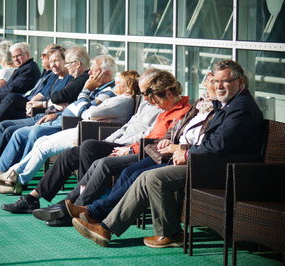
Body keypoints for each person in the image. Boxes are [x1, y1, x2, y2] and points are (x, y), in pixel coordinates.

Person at [71, 60, 264, 248]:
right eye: (216, 81)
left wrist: (186, 153)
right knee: (144, 175)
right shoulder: (229, 104)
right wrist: (183, 149)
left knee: (152, 177)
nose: (219, 86)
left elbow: (216, 146)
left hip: (223, 170)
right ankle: (107, 227)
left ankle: (168, 233)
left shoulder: (241, 108)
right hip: (206, 162)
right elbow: (210, 141)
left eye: (226, 81)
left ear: (240, 82)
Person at [29, 70, 191, 226]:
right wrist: (111, 141)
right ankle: (67, 203)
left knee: (103, 163)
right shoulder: (162, 108)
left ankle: (75, 208)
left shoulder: (175, 111)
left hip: (144, 151)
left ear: (167, 93)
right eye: (144, 94)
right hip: (132, 144)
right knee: (84, 151)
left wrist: (129, 148)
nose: (147, 99)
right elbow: (131, 126)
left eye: (148, 94)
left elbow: (152, 139)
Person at [63, 73, 216, 223]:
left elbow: (157, 138)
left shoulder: (183, 111)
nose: (151, 102)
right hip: (145, 148)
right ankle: (74, 201)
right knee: (93, 153)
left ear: (169, 94)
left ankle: (84, 207)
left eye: (152, 97)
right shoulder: (167, 110)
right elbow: (150, 133)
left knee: (106, 164)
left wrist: (131, 148)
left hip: (151, 152)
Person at [0, 70, 141, 190]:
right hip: (85, 127)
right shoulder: (118, 98)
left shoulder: (123, 100)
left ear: (127, 89)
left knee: (43, 148)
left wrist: (85, 93)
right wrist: (86, 109)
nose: (114, 85)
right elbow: (84, 111)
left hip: (89, 131)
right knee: (41, 141)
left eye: (118, 83)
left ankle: (17, 180)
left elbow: (89, 113)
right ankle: (13, 172)